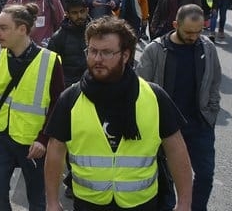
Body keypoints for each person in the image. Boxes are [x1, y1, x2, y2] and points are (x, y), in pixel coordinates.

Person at [44, 17, 193, 211]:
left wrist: (184, 203)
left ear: (125, 55)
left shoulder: (154, 97)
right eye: (92, 51)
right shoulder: (71, 98)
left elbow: (176, 151)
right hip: (89, 203)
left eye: (106, 52)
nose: (97, 59)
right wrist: (52, 202)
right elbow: (55, 151)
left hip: (141, 203)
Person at [0, 4, 64, 211]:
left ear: (22, 29)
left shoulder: (49, 60)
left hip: (33, 142)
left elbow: (58, 103)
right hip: (0, 135)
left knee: (37, 200)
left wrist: (43, 139)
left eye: (3, 28)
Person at [137, 4, 220, 210]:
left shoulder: (207, 47)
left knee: (205, 174)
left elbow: (214, 82)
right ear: (176, 25)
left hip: (199, 125)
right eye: (189, 32)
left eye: (199, 31)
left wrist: (211, 111)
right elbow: (141, 87)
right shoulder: (155, 50)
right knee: (167, 178)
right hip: (166, 128)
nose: (194, 37)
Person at [47, 0, 90, 87]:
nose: (79, 16)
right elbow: (51, 69)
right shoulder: (58, 38)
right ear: (67, 14)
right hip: (69, 88)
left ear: (87, 10)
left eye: (82, 11)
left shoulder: (97, 33)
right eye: (74, 12)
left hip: (93, 84)